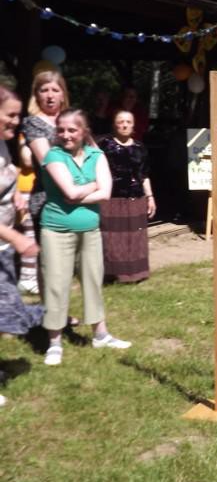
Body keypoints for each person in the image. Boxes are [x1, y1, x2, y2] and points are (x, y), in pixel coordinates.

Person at [40, 109, 131, 366]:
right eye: (61, 130)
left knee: (93, 281)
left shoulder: (96, 155)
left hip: (90, 230)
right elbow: (69, 192)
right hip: (56, 230)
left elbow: (106, 193)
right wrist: (93, 186)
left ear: (84, 131)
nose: (66, 135)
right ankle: (54, 343)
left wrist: (82, 192)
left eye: (72, 130)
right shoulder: (53, 155)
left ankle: (100, 335)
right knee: (56, 284)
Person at [0, 86, 44, 341]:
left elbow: (8, 171)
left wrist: (15, 193)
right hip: (5, 238)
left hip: (3, 243)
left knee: (7, 303)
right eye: (11, 115)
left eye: (18, 115)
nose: (17, 122)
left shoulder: (3, 144)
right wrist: (17, 238)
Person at [98, 110, 156, 283]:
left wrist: (150, 197)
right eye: (121, 122)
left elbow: (144, 175)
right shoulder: (104, 145)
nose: (124, 125)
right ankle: (114, 274)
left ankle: (137, 273)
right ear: (114, 124)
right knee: (113, 237)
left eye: (128, 122)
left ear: (133, 125)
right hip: (112, 198)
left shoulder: (140, 148)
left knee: (135, 236)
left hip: (135, 197)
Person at [21, 70, 70, 223]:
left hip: (80, 201)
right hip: (48, 201)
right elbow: (48, 162)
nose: (50, 95)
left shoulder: (74, 120)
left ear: (63, 95)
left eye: (55, 90)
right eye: (44, 90)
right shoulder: (33, 123)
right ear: (36, 95)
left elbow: (94, 154)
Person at [16, 133, 39, 294]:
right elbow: (27, 160)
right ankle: (28, 278)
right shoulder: (27, 134)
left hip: (38, 190)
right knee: (29, 235)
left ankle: (34, 276)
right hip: (26, 190)